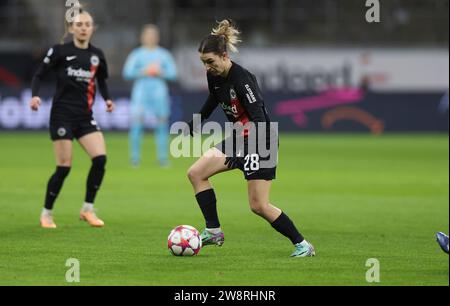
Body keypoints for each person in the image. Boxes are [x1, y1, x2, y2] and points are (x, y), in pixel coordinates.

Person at [185, 20, 315, 257]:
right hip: (239, 138)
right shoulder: (215, 76)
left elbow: (259, 117)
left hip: (260, 140)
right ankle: (213, 230)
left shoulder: (242, 79)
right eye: (203, 62)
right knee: (196, 173)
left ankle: (302, 245)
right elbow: (213, 100)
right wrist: (195, 122)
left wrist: (254, 149)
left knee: (258, 206)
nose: (207, 67)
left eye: (210, 62)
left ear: (224, 56)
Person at [30, 8, 115, 229]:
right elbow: (39, 74)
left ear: (92, 29)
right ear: (71, 28)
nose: (83, 28)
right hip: (62, 115)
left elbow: (101, 81)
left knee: (100, 159)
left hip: (85, 117)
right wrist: (35, 95)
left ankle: (88, 208)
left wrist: (107, 99)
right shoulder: (59, 51)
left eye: (87, 24)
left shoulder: (97, 55)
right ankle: (46, 213)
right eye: (79, 25)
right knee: (64, 166)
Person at [123, 24, 177, 167]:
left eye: (153, 35)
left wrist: (161, 73)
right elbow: (127, 72)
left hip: (159, 93)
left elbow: (174, 74)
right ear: (142, 37)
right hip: (141, 93)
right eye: (148, 35)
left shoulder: (164, 54)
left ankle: (163, 158)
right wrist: (143, 71)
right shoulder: (136, 54)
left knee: (161, 124)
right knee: (137, 124)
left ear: (157, 37)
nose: (151, 37)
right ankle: (134, 158)